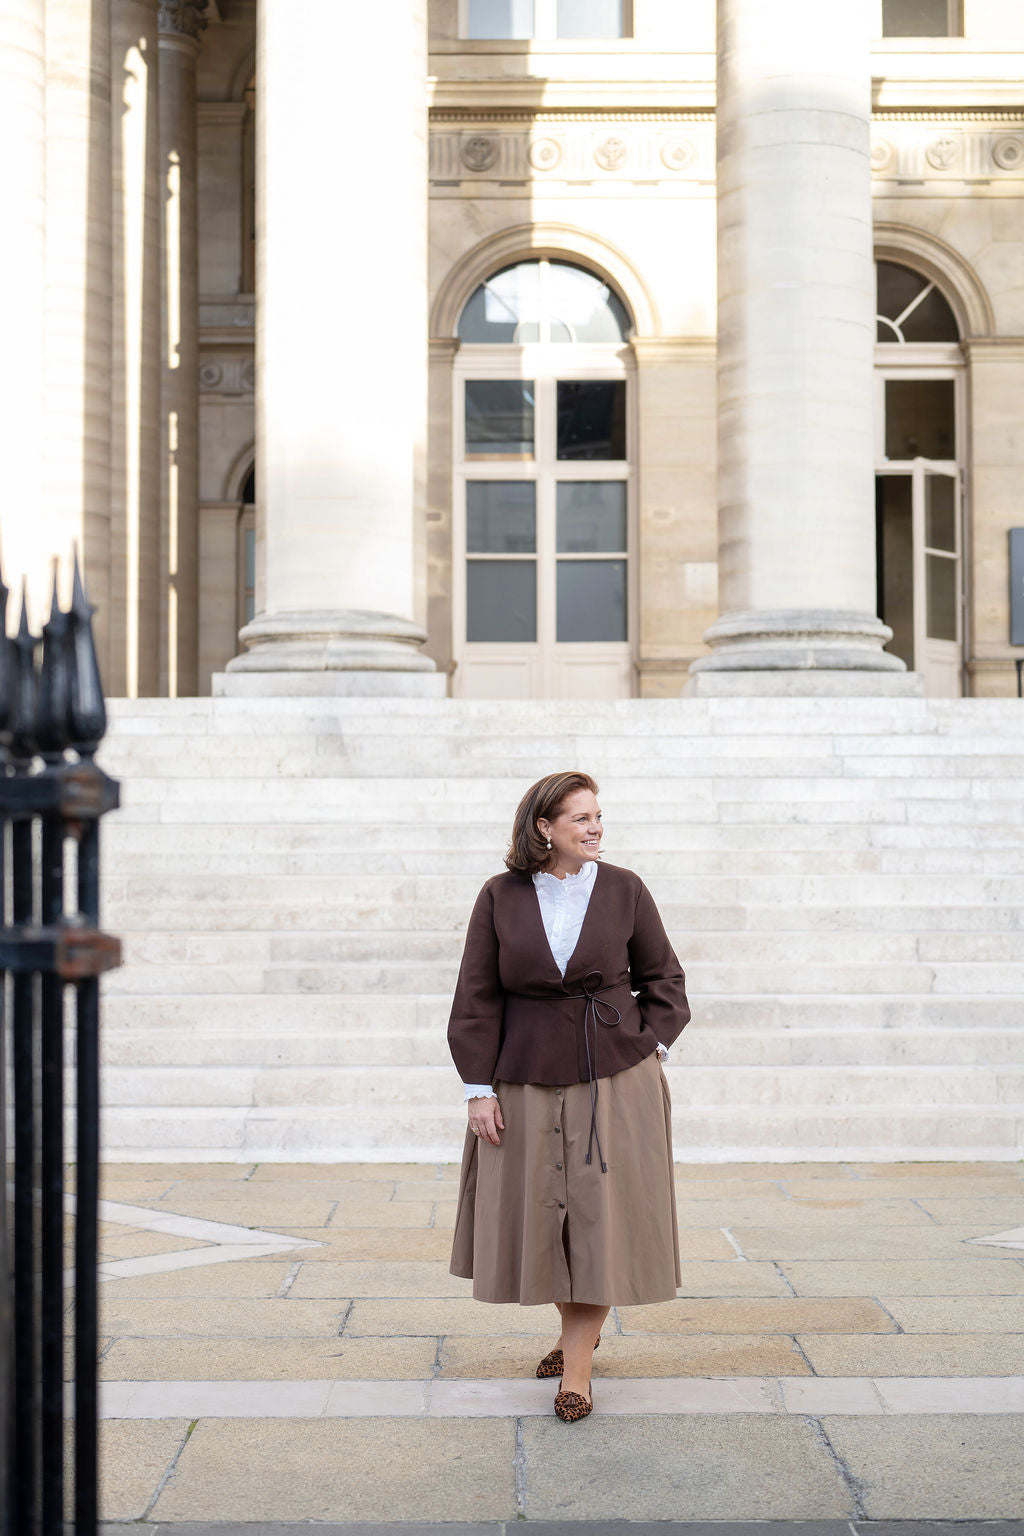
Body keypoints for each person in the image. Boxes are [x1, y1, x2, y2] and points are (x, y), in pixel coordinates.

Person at [447, 770, 690, 1422]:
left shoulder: (625, 890)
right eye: (580, 818)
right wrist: (477, 1088)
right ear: (544, 827)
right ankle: (575, 1329)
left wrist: (647, 1048)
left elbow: (664, 978)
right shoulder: (499, 897)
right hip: (523, 1076)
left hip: (613, 1079)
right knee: (544, 1216)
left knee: (599, 1220)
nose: (595, 828)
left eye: (598, 815)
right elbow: (477, 995)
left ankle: (576, 1365)